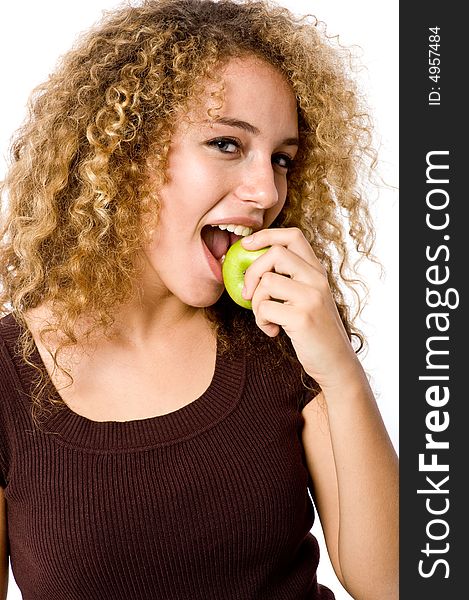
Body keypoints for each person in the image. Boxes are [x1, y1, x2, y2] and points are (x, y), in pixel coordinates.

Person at [0, 0, 398, 598]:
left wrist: (339, 369)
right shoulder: (8, 373)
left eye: (282, 159)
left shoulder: (284, 333)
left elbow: (398, 586)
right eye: (226, 144)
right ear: (126, 154)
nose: (266, 191)